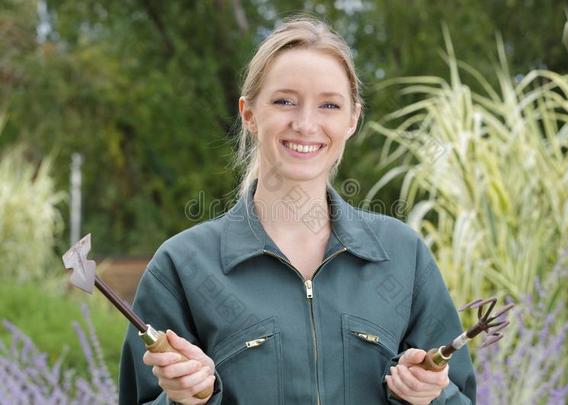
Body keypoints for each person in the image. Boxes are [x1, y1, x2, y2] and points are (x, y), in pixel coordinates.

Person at [119, 15, 476, 405]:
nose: (306, 124)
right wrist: (189, 400)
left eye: (329, 105)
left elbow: (459, 396)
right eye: (284, 101)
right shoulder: (182, 267)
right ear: (250, 114)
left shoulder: (403, 257)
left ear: (352, 119)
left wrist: (430, 398)